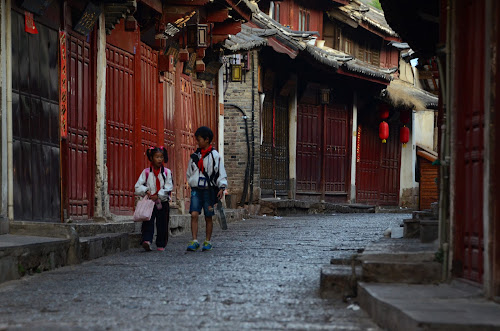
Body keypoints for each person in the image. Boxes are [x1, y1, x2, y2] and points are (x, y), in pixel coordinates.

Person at [186, 126, 227, 252]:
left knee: (208, 216)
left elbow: (221, 173)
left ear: (207, 139)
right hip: (196, 190)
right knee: (194, 214)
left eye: (199, 139)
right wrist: (192, 182)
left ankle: (207, 241)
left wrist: (221, 187)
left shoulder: (215, 156)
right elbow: (189, 173)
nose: (197, 142)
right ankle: (194, 240)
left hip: (209, 191)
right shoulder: (194, 156)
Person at [135, 146, 173, 252]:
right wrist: (146, 190)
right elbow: (138, 186)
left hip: (162, 202)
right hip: (150, 202)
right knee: (148, 221)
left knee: (163, 223)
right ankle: (146, 240)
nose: (159, 159)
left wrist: (159, 194)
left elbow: (169, 186)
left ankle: (161, 243)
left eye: (161, 157)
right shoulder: (146, 172)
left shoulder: (167, 172)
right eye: (157, 157)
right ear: (151, 158)